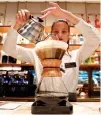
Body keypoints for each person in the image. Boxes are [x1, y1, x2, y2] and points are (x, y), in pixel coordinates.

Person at [3, 2, 100, 99]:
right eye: (56, 32)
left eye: (64, 31)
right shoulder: (38, 54)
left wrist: (66, 15)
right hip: (43, 101)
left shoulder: (77, 55)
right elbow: (9, 49)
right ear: (51, 34)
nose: (60, 35)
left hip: (70, 103)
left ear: (69, 35)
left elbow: (95, 38)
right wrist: (17, 25)